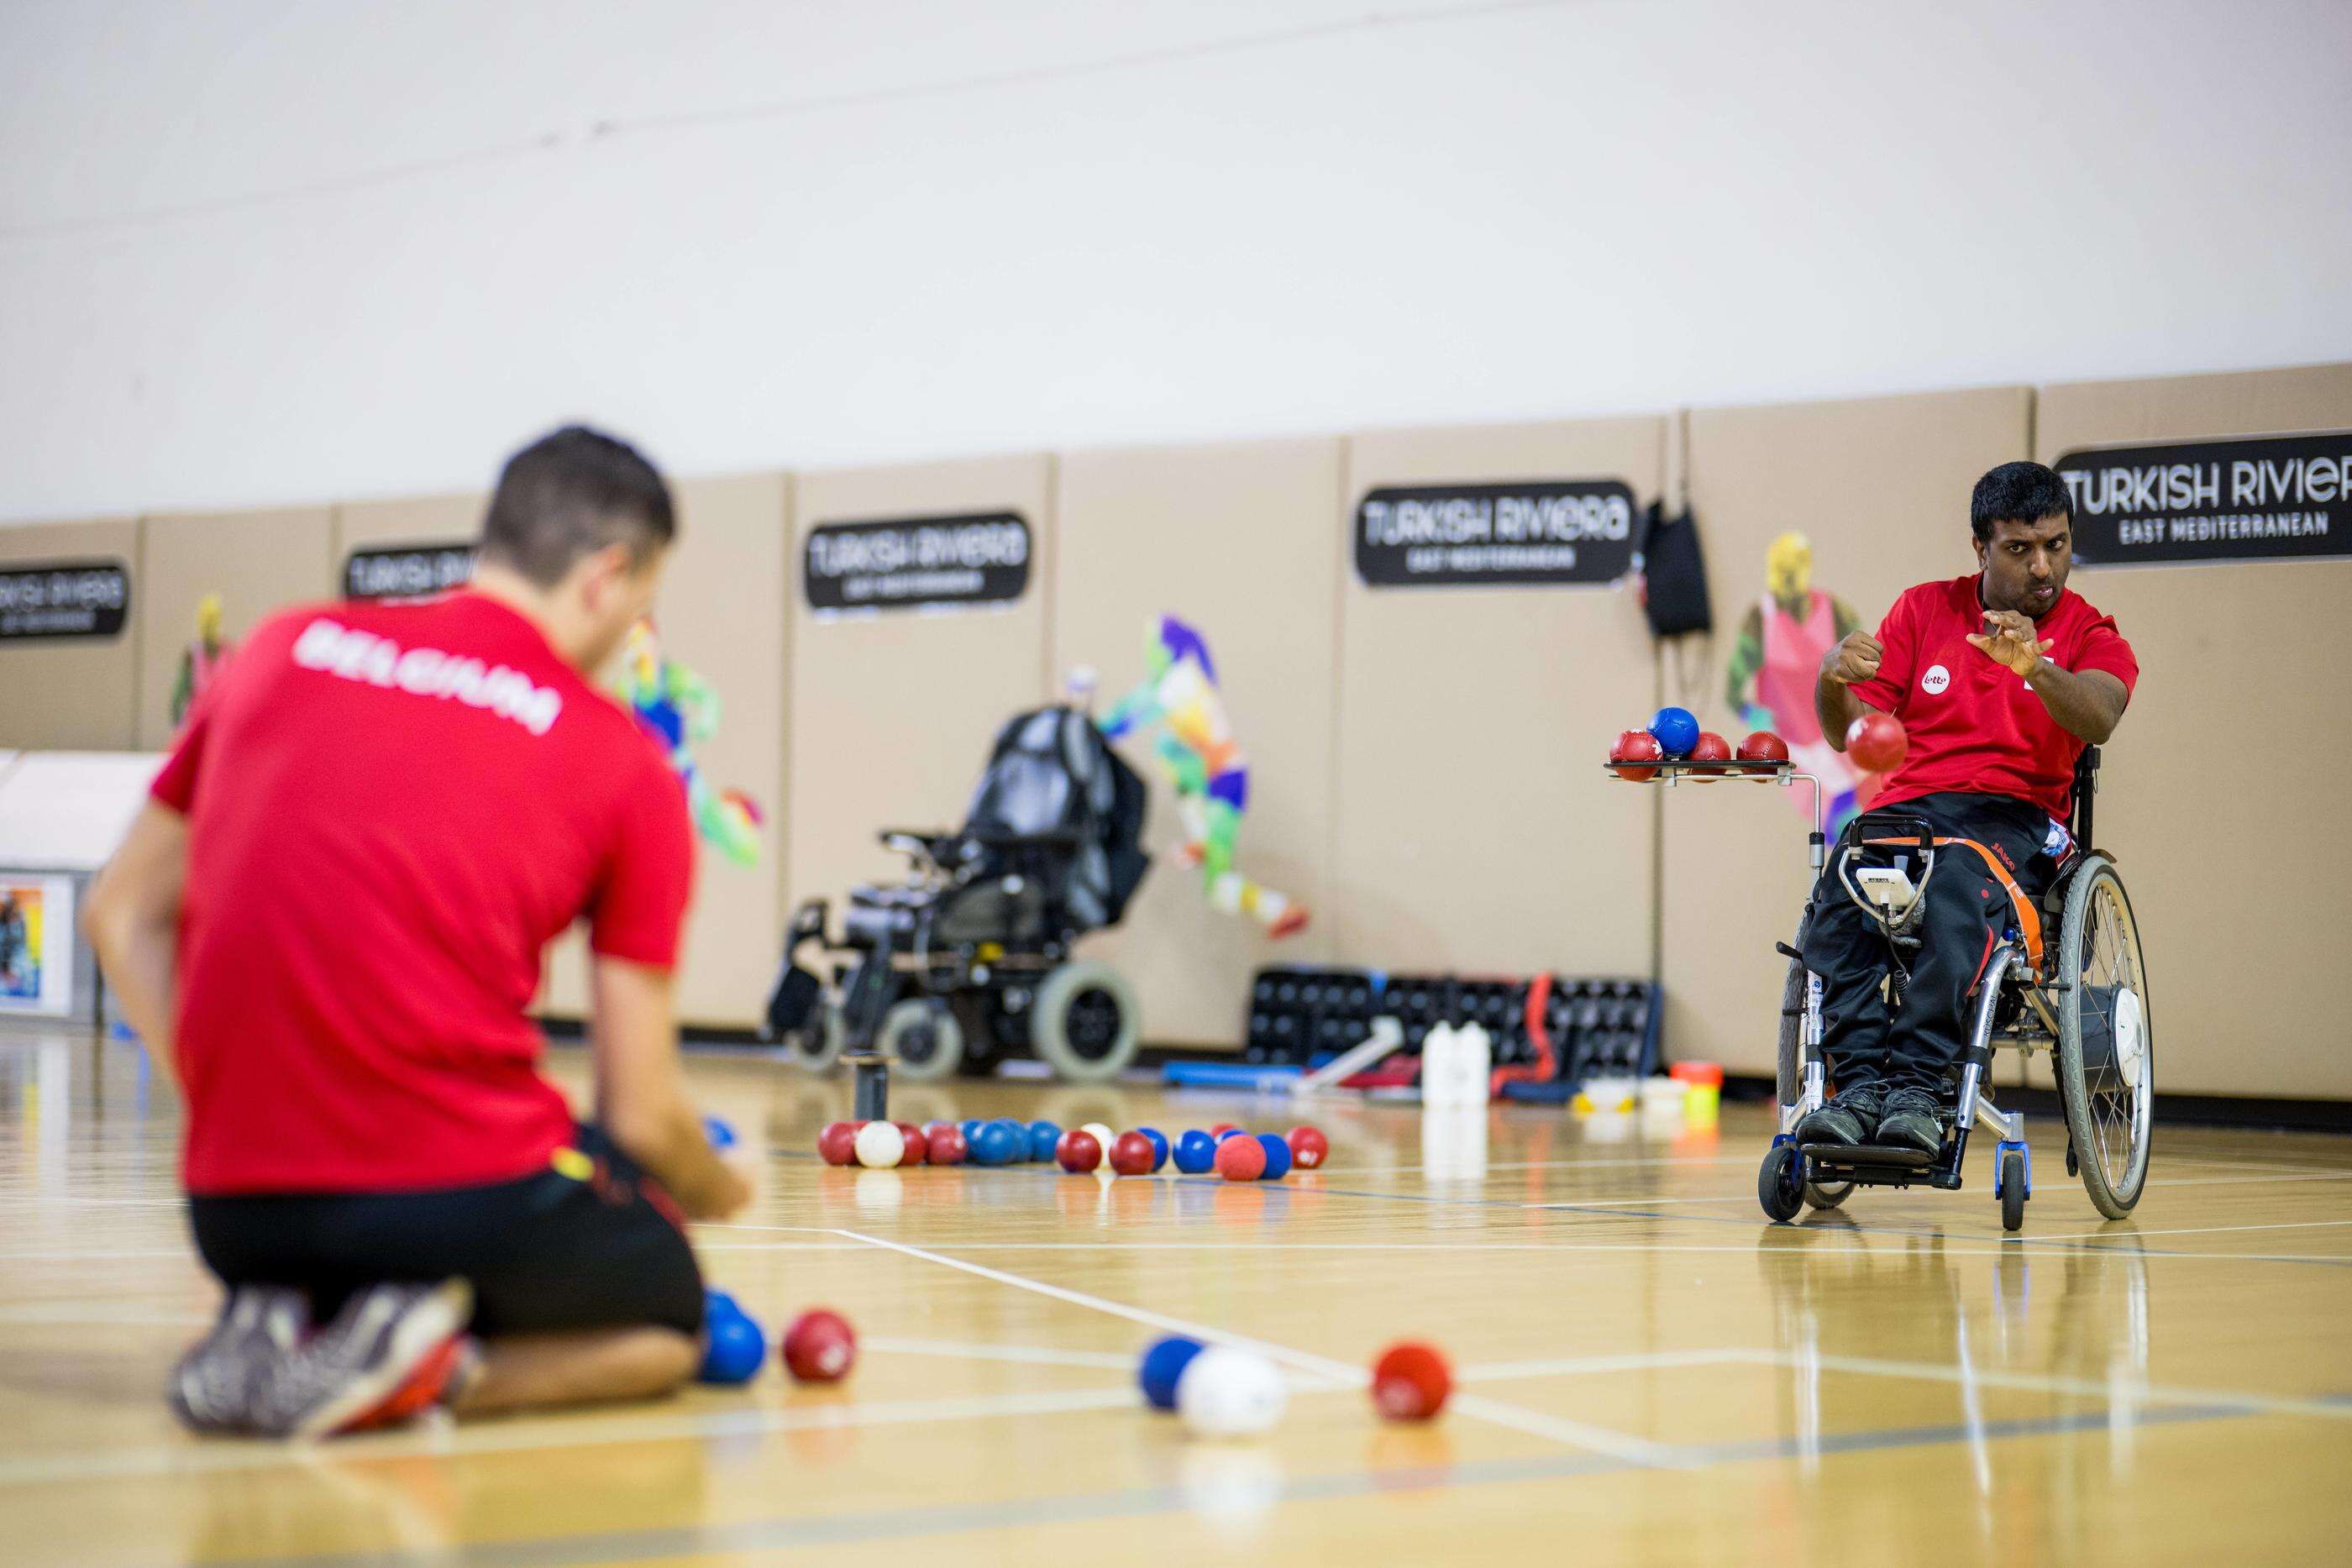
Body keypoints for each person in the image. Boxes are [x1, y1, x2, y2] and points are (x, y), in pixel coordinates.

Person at [81, 426, 751, 1440]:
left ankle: (296, 1312)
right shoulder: (621, 761)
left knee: (409, 1224)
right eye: (645, 600)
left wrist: (228, 1104)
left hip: (235, 1209)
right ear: (607, 576)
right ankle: (427, 1369)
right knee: (668, 1319)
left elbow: (119, 912)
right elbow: (644, 1115)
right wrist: (716, 1187)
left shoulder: (281, 644)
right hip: (450, 1195)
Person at [1797, 461, 2138, 1156]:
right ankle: (1858, 1085)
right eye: (2021, 548)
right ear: (1980, 546)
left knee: (1956, 883)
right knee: (1842, 881)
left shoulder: (2089, 632)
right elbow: (1849, 732)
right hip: (1914, 811)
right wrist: (1831, 679)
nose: (2044, 567)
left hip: (2016, 822)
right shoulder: (1924, 610)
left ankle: (1921, 1085)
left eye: (2058, 544)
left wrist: (2036, 668)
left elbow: (2100, 716)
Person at [1725, 532, 1877, 832]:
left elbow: (1871, 667)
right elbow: (1734, 682)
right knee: (1832, 824)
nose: (1787, 581)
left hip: (1837, 735)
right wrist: (1747, 711)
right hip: (1792, 746)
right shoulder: (1761, 618)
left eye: (1792, 571)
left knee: (1863, 816)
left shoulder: (1835, 611)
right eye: (1781, 572)